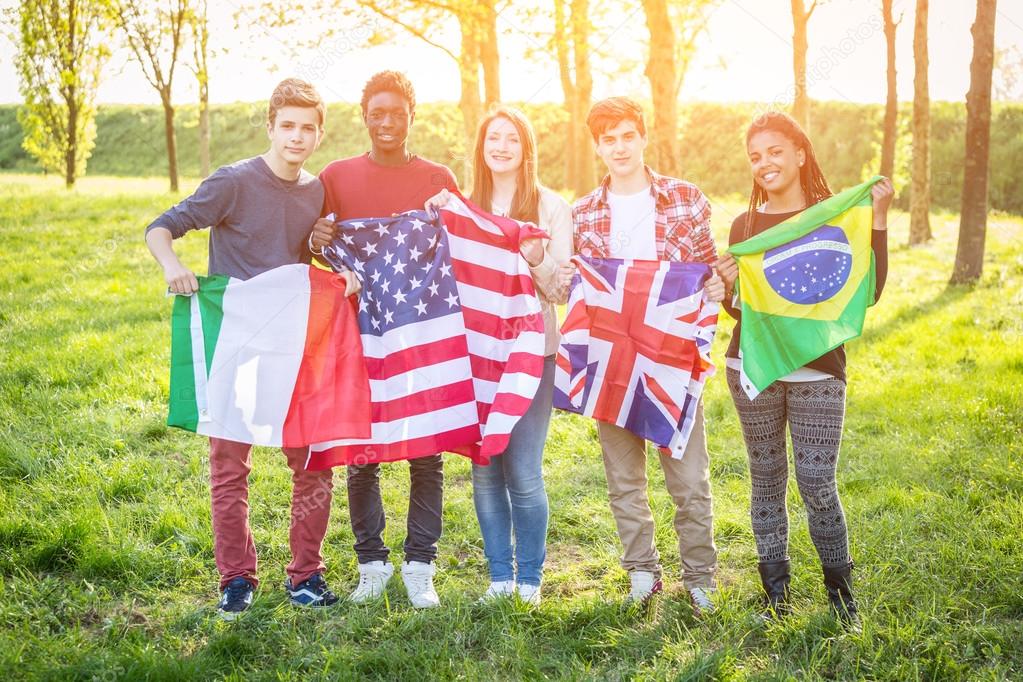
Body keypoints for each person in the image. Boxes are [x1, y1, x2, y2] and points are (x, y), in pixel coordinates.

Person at [145, 78, 360, 619]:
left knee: (312, 460)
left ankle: (306, 576)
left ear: (319, 135)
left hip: (293, 348)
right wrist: (174, 267)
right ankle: (236, 579)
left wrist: (339, 274)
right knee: (228, 464)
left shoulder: (316, 191)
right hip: (236, 341)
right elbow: (162, 227)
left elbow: (310, 254)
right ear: (270, 126)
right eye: (287, 126)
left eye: (307, 128)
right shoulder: (233, 182)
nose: (296, 137)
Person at [714, 110, 894, 625]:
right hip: (754, 367)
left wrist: (877, 218)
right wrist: (728, 286)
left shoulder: (833, 216)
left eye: (774, 151)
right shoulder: (745, 226)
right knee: (766, 479)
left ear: (799, 153)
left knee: (817, 483)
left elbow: (870, 291)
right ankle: (777, 596)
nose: (764, 163)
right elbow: (741, 311)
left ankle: (842, 595)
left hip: (819, 370)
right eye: (754, 157)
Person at [309, 70, 459, 609]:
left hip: (419, 335)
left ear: (412, 115)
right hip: (358, 334)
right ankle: (371, 564)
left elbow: (460, 251)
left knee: (427, 452)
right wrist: (316, 237)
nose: (387, 122)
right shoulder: (337, 176)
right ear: (364, 117)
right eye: (378, 113)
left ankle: (421, 565)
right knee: (361, 453)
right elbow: (316, 253)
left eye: (397, 112)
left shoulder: (438, 178)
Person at [570, 96, 725, 614]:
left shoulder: (684, 198)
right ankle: (642, 570)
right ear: (598, 147)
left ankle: (700, 575)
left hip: (672, 360)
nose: (619, 147)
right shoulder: (584, 212)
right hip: (611, 361)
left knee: (688, 476)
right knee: (623, 477)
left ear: (643, 138)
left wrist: (715, 292)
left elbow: (707, 273)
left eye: (627, 136)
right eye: (608, 139)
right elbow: (577, 287)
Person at [426, 106, 574, 606]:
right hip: (476, 356)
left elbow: (560, 289)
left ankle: (530, 579)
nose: (503, 146)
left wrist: (535, 256)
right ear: (482, 147)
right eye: (494, 137)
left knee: (525, 472)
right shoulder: (463, 206)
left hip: (533, 353)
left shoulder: (552, 207)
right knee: (485, 467)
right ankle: (498, 578)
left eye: (513, 138)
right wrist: (435, 217)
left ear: (526, 148)